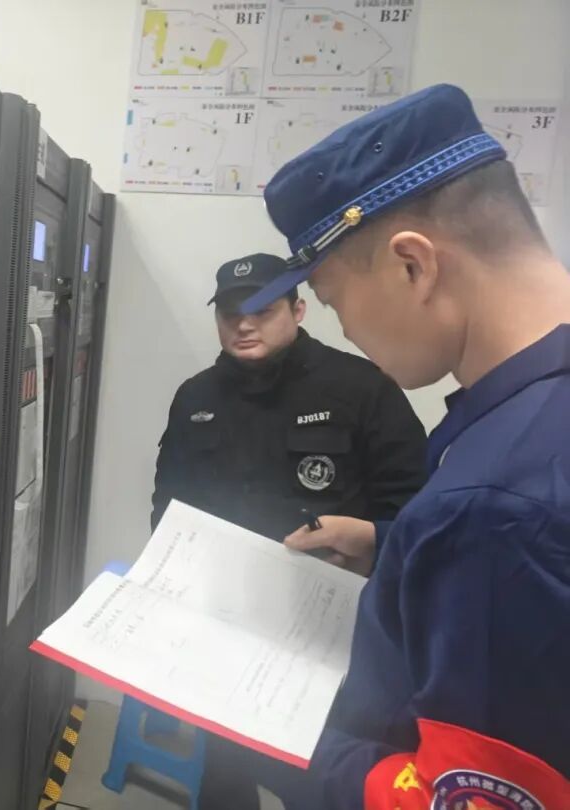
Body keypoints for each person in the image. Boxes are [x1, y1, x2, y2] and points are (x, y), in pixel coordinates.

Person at [243, 83, 570, 808]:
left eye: (334, 302)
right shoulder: (531, 423)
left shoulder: (491, 505)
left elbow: (459, 799)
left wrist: (272, 732)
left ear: (413, 265)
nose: (346, 331)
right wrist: (393, 548)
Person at [152, 253, 428, 808]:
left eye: (262, 310)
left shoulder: (361, 389)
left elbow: (416, 511)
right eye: (230, 313)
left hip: (332, 639)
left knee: (322, 778)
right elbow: (167, 509)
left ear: (298, 310)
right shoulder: (197, 397)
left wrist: (368, 548)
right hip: (225, 625)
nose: (244, 324)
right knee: (224, 775)